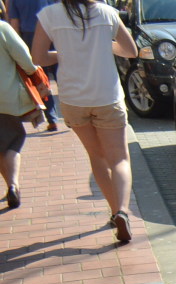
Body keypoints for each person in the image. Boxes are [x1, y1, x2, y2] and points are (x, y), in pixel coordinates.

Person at [32, 0, 138, 242]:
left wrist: (66, 51)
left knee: (97, 156)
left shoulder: (48, 15)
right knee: (119, 158)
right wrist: (104, 47)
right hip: (107, 96)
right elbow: (130, 50)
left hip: (73, 99)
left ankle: (114, 213)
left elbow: (37, 56)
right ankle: (122, 210)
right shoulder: (107, 12)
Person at [0, 10, 39, 207]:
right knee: (14, 140)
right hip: (5, 97)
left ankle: (10, 186)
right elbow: (25, 58)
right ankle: (13, 184)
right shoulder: (2, 29)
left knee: (0, 145)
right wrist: (34, 73)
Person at [6, 0, 58, 131]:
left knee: (40, 78)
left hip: (31, 37)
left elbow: (15, 24)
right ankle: (72, 112)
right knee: (63, 74)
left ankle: (52, 118)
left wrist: (16, 49)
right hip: (53, 33)